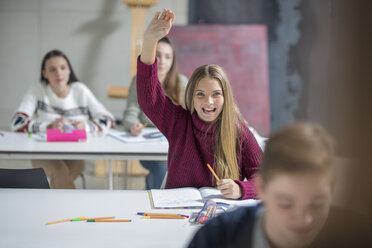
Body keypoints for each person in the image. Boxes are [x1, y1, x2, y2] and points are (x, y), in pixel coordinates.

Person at [137, 9, 262, 199]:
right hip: (174, 215)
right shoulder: (179, 123)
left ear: (226, 97)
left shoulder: (240, 132)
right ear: (191, 96)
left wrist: (241, 189)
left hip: (219, 218)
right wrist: (150, 40)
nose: (208, 102)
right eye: (200, 94)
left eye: (216, 94)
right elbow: (150, 98)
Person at [188, 122, 336, 248]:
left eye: (317, 204)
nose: (304, 220)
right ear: (261, 189)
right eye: (286, 204)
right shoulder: (216, 238)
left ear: (332, 190)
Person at [10, 49, 114, 189]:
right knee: (59, 172)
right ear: (44, 73)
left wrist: (86, 126)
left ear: (69, 70)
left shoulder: (80, 90)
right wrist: (47, 126)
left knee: (59, 179)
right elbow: (17, 122)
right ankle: (74, 211)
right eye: (52, 69)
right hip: (43, 152)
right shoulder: (38, 90)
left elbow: (108, 119)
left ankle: (52, 208)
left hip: (75, 153)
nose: (59, 73)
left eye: (63, 68)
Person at [123, 36, 188, 190]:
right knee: (161, 165)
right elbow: (130, 113)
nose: (162, 61)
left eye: (167, 56)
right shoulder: (138, 80)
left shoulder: (182, 82)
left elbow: (190, 114)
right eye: (157, 55)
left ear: (173, 61)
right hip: (147, 143)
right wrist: (133, 126)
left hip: (175, 142)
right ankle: (159, 204)